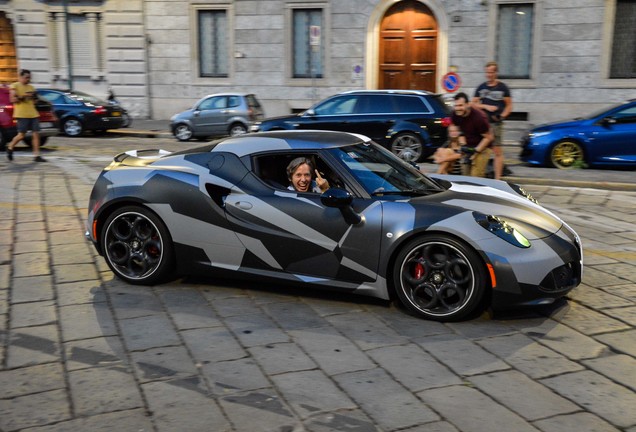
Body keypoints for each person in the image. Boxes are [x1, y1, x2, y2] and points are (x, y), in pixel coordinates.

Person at [472, 61, 512, 180]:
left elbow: (509, 106)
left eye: (491, 72)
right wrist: (485, 107)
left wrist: (502, 116)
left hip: (495, 124)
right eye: (487, 72)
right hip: (482, 123)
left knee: (497, 150)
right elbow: (472, 104)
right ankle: (480, 175)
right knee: (481, 149)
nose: (489, 75)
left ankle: (497, 178)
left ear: (496, 73)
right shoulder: (481, 87)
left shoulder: (503, 88)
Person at [6, 69, 46, 162]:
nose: (28, 79)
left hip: (33, 113)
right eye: (26, 77)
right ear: (20, 77)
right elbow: (12, 100)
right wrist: (23, 96)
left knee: (36, 134)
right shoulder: (14, 86)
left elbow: (35, 102)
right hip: (22, 114)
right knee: (21, 135)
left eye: (29, 78)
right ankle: (10, 146)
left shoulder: (31, 87)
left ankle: (37, 155)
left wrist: (34, 97)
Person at [451, 92, 493, 177]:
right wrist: (463, 144)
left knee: (476, 176)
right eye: (456, 105)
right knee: (465, 176)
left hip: (482, 147)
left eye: (460, 105)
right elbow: (458, 129)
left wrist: (475, 152)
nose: (458, 108)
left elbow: (488, 138)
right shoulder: (455, 114)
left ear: (468, 104)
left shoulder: (479, 118)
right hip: (468, 146)